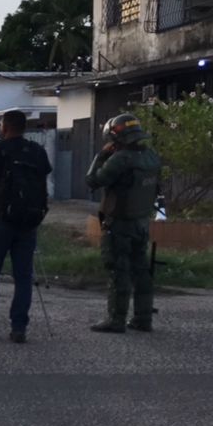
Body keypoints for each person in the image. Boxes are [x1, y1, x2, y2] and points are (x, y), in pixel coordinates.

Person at [0, 110, 52, 344]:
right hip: (29, 221)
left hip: (1, 219)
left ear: (4, 127)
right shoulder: (37, 151)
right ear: (24, 127)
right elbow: (43, 184)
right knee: (23, 277)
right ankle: (19, 328)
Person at [86, 113, 162, 333]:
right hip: (141, 221)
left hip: (119, 222)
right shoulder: (151, 156)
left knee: (118, 271)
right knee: (141, 270)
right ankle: (143, 318)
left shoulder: (120, 159)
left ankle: (116, 319)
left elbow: (92, 180)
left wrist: (101, 156)